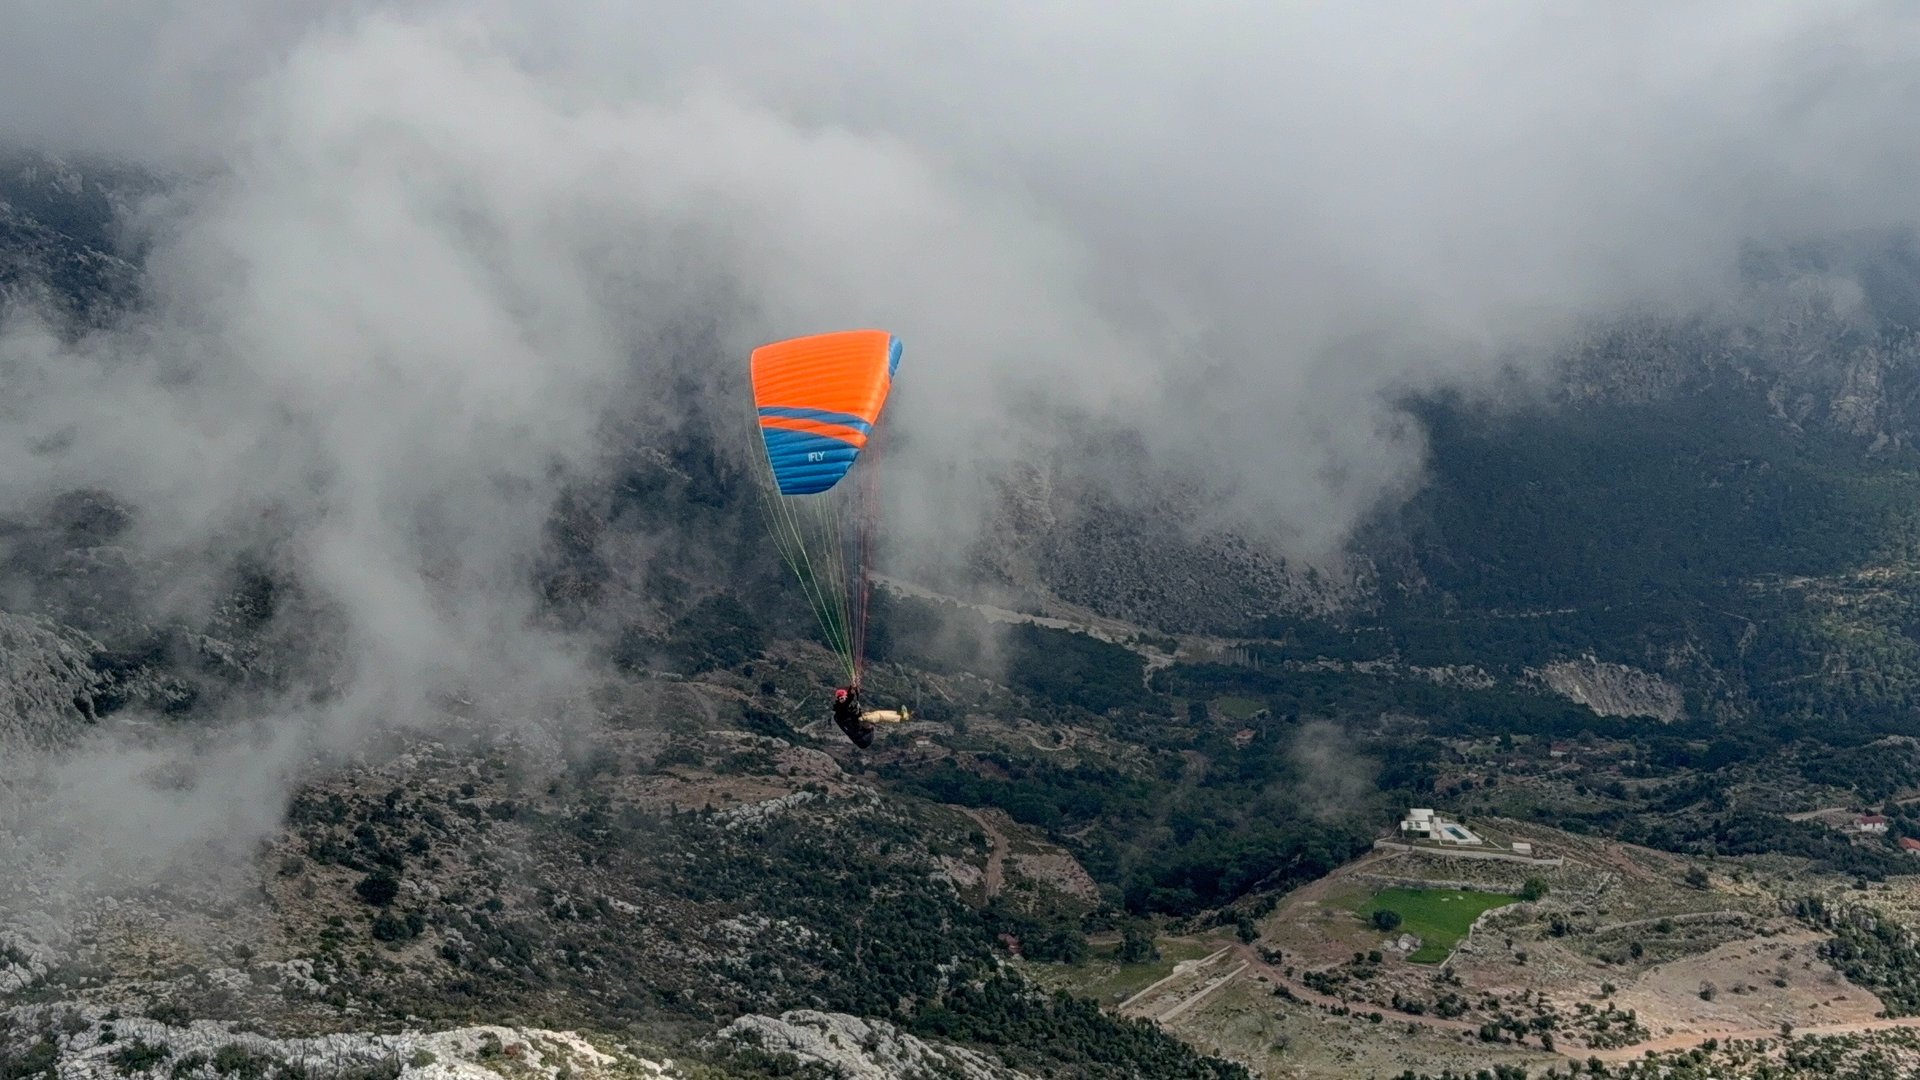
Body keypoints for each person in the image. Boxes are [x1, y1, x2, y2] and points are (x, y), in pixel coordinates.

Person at [829, 685, 911, 748]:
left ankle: (899, 714)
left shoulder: (842, 711)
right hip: (863, 738)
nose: (843, 699)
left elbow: (848, 706)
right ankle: (901, 718)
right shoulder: (840, 712)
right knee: (876, 716)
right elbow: (846, 705)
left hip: (862, 737)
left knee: (874, 713)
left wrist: (853, 689)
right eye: (841, 698)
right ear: (838, 700)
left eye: (844, 698)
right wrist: (852, 690)